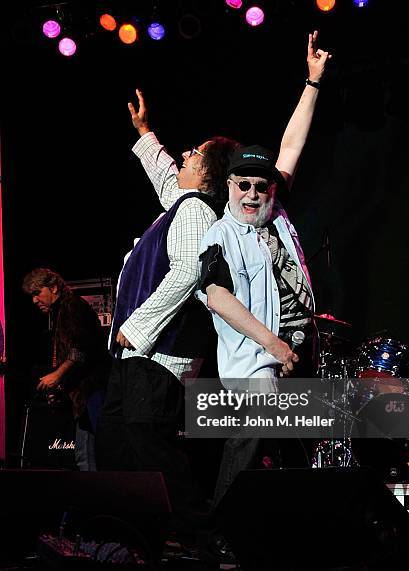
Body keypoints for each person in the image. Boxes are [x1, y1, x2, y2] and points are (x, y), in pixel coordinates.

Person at [96, 90, 239, 537]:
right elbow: (165, 178)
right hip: (139, 355)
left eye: (193, 153)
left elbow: (188, 273)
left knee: (149, 447)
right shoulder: (184, 204)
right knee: (117, 444)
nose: (184, 154)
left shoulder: (196, 209)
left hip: (156, 355)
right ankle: (132, 537)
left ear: (207, 172)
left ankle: (198, 535)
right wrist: (143, 132)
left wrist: (136, 328)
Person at [197, 31, 331, 505]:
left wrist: (312, 81)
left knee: (296, 450)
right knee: (248, 448)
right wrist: (272, 344)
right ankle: (223, 535)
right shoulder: (220, 234)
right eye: (244, 185)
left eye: (262, 186)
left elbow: (291, 146)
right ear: (229, 185)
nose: (253, 194)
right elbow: (216, 296)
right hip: (257, 361)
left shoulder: (275, 213)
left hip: (296, 351)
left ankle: (282, 536)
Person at [22, 268, 111, 470]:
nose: (34, 301)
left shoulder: (73, 306)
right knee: (84, 456)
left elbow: (81, 349)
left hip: (94, 391)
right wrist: (60, 388)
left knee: (91, 456)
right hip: (84, 394)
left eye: (37, 293)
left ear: (53, 287)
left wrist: (57, 376)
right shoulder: (60, 312)